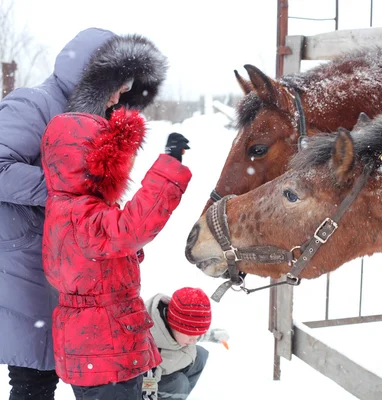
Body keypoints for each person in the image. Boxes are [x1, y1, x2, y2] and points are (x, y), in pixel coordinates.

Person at [40, 33, 192, 399]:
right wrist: (169, 166)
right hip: (105, 354)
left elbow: (96, 260)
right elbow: (133, 227)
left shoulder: (63, 208)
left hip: (96, 353)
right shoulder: (82, 213)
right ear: (87, 163)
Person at [0, 27, 116, 399]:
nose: (119, 97)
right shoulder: (32, 105)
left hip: (62, 263)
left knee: (55, 370)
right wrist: (65, 192)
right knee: (34, 376)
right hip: (24, 260)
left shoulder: (88, 118)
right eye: (117, 86)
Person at [143, 287, 230, 400]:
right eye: (190, 336)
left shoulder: (177, 327)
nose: (194, 340)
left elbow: (192, 331)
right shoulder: (149, 350)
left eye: (197, 335)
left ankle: (180, 396)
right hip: (152, 380)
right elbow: (147, 388)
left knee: (201, 354)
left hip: (172, 362)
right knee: (179, 383)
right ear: (173, 325)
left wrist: (212, 336)